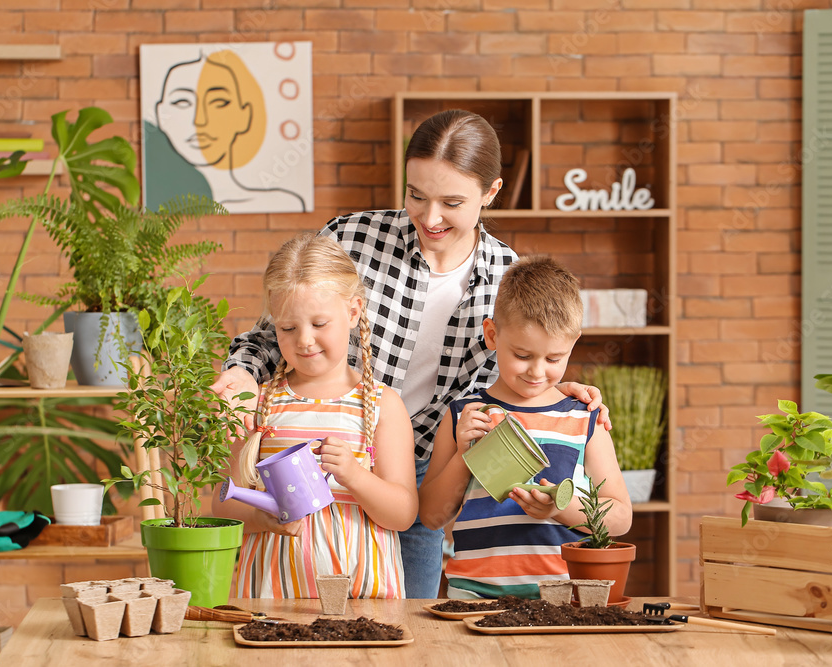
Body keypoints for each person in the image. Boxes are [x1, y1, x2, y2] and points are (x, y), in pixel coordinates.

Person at [211, 108, 609, 599]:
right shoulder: (351, 238)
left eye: (452, 201)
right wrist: (244, 376)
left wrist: (558, 389)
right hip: (339, 438)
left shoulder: (507, 274)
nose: (430, 217)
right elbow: (277, 331)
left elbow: (519, 362)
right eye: (416, 195)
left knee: (403, 614)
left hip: (425, 462)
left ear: (491, 193)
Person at [210, 234, 417, 598]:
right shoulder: (259, 404)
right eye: (288, 328)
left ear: (353, 312)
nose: (304, 340)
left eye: (319, 324)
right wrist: (262, 519)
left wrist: (353, 475)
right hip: (275, 594)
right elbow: (223, 503)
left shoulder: (382, 405)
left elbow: (402, 515)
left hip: (363, 595)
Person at [418, 255, 632, 598]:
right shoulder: (464, 416)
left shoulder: (584, 418)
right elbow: (430, 517)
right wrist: (463, 455)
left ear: (573, 343)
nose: (536, 372)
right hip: (474, 597)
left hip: (564, 599)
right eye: (522, 355)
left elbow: (620, 517)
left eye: (553, 359)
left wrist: (560, 507)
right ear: (492, 334)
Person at [147, 49, 306, 213]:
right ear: (160, 113)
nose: (200, 120)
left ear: (244, 115)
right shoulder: (162, 210)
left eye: (219, 102)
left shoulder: (285, 201)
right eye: (182, 102)